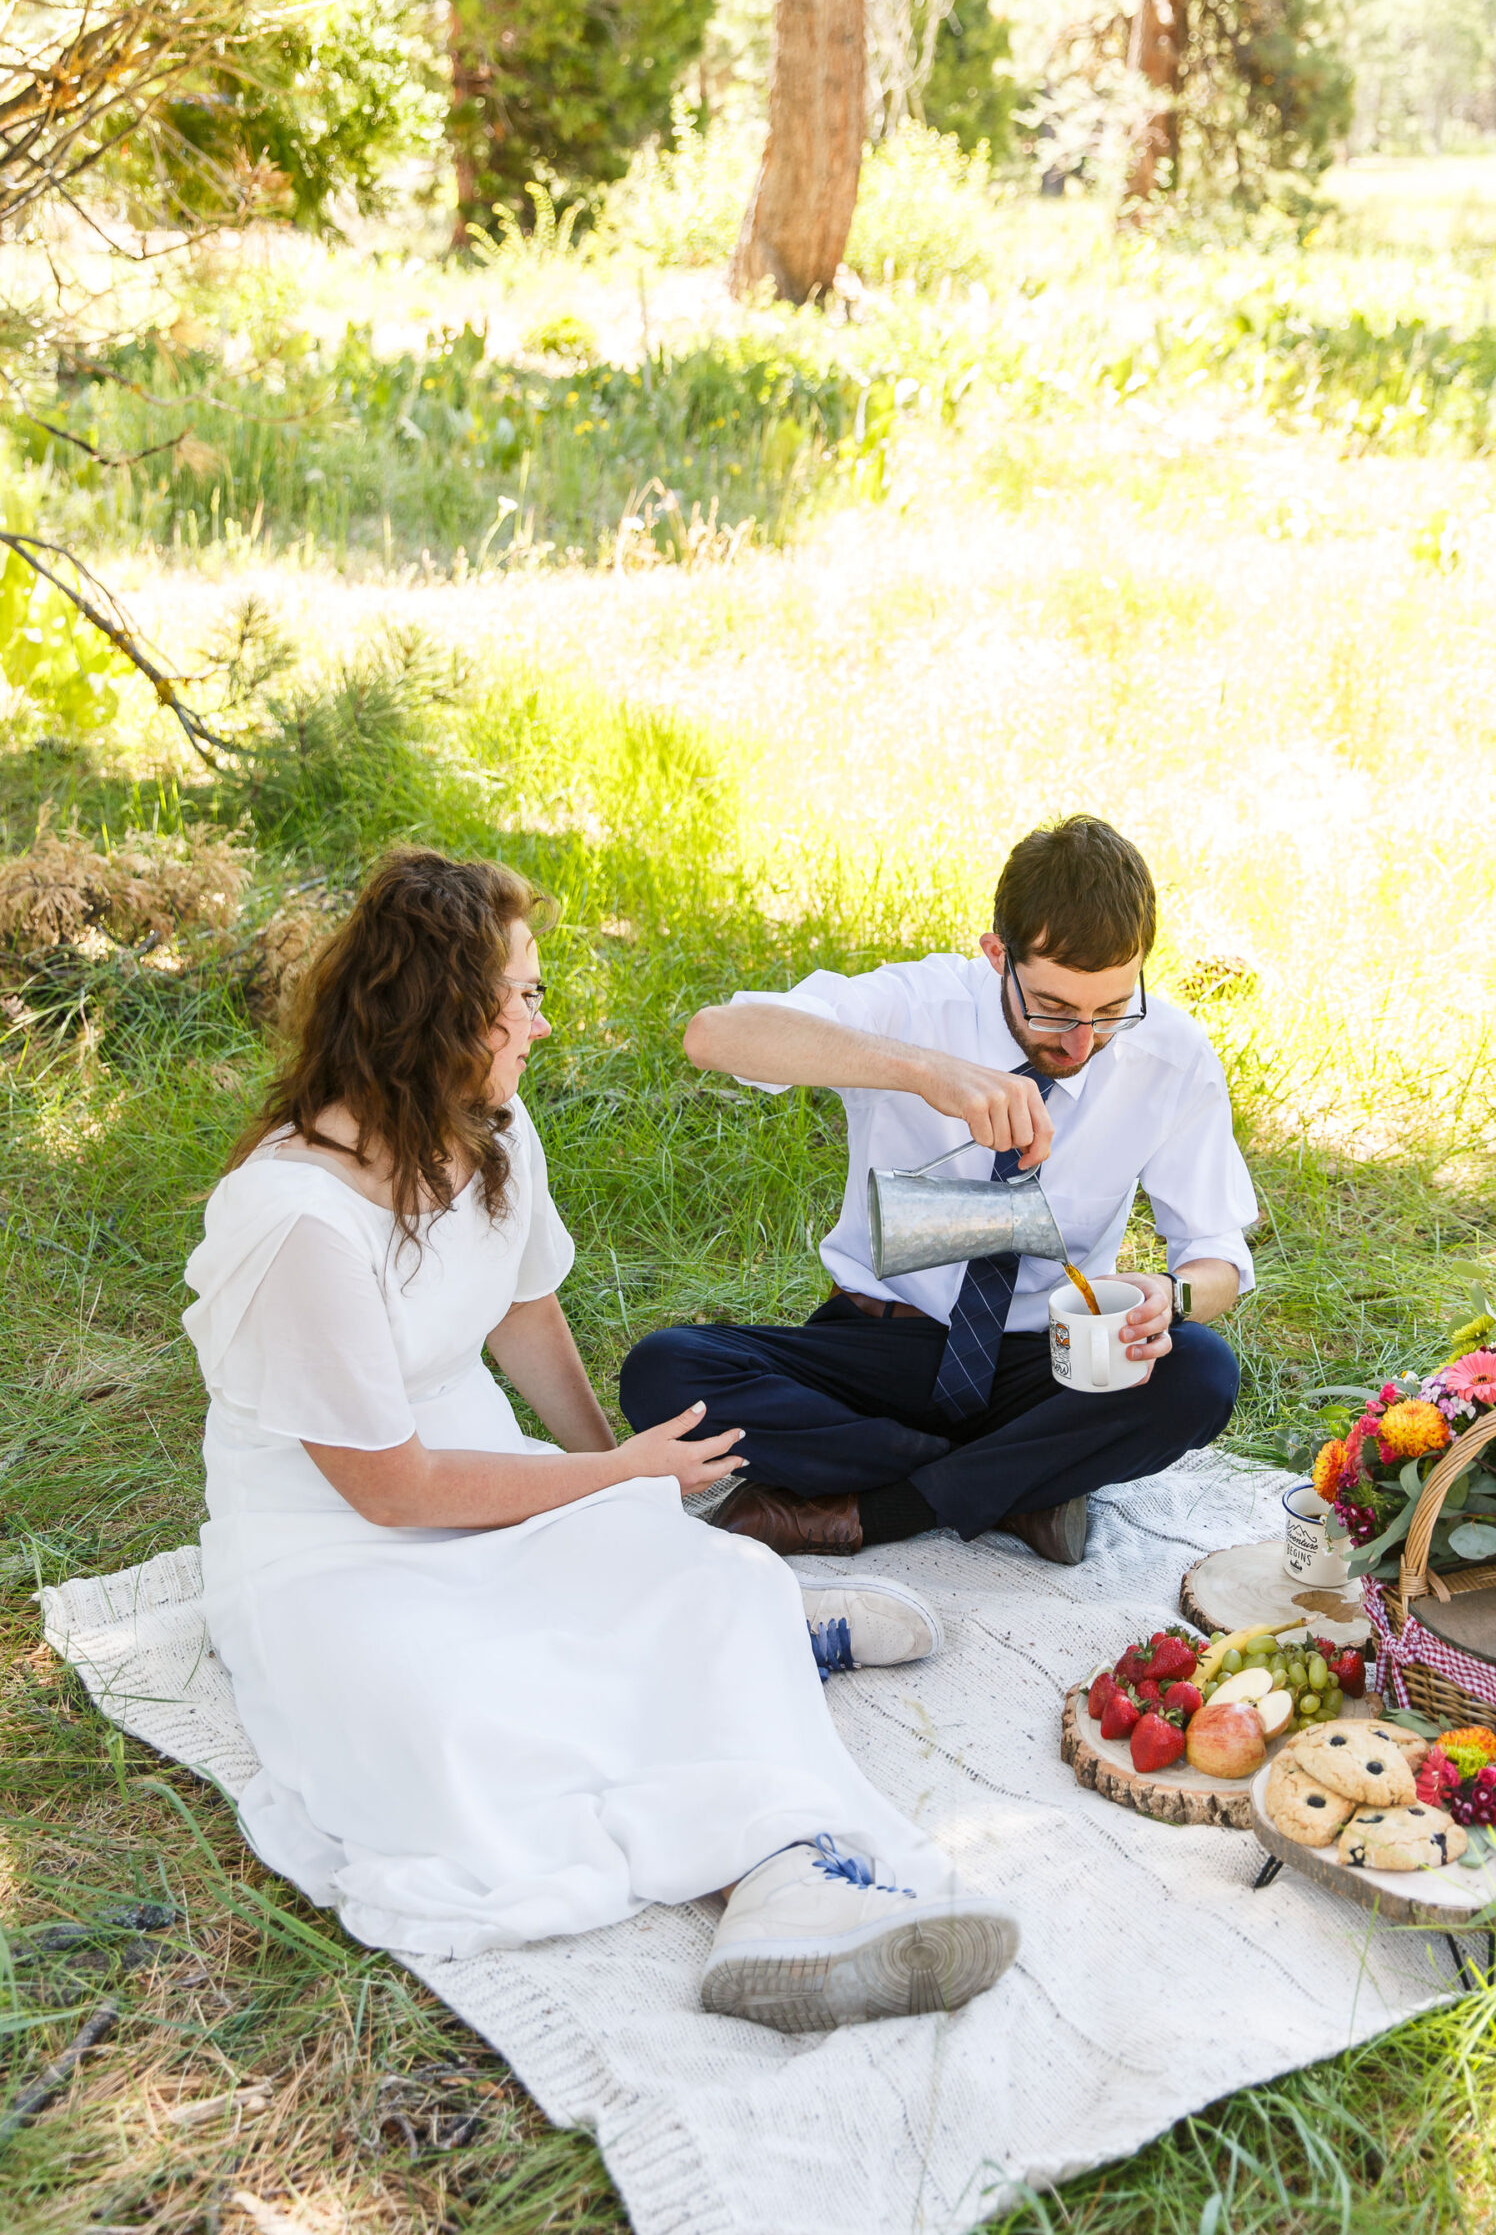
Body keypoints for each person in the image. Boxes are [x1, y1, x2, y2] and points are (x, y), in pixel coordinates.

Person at [181, 847, 1019, 2030]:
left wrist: (630, 1493)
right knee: (467, 1711)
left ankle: (788, 1871)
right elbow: (390, 1489)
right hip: (333, 1538)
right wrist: (606, 1476)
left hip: (488, 1475)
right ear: (449, 1019)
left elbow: (523, 1308)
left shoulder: (487, 1124)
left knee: (715, 1580)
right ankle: (769, 1867)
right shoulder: (298, 1222)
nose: (541, 1022)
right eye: (522, 997)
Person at [621, 816, 1255, 1566]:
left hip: (1046, 1360)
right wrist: (926, 1071)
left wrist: (1172, 1298)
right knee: (663, 1372)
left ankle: (880, 1506)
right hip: (880, 1342)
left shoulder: (1170, 1055)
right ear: (996, 956)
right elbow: (715, 1035)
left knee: (1201, 1374)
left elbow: (1217, 1252)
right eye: (1053, 1008)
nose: (1082, 1043)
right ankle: (1018, 1482)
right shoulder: (917, 1006)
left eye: (1112, 1009)